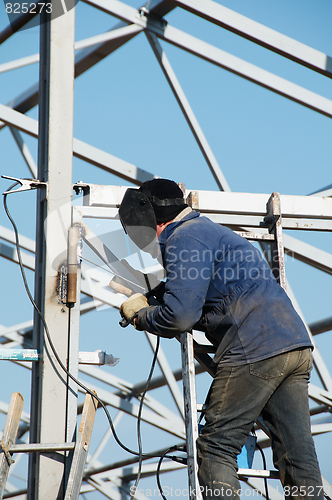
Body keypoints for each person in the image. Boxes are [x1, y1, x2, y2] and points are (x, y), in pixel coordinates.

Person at [119, 178, 324, 500]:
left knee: (216, 445)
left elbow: (180, 317)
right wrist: (160, 294)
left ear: (149, 220)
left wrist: (141, 315)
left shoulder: (183, 239)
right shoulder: (210, 231)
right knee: (295, 449)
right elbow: (215, 298)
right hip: (292, 344)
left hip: (254, 348)